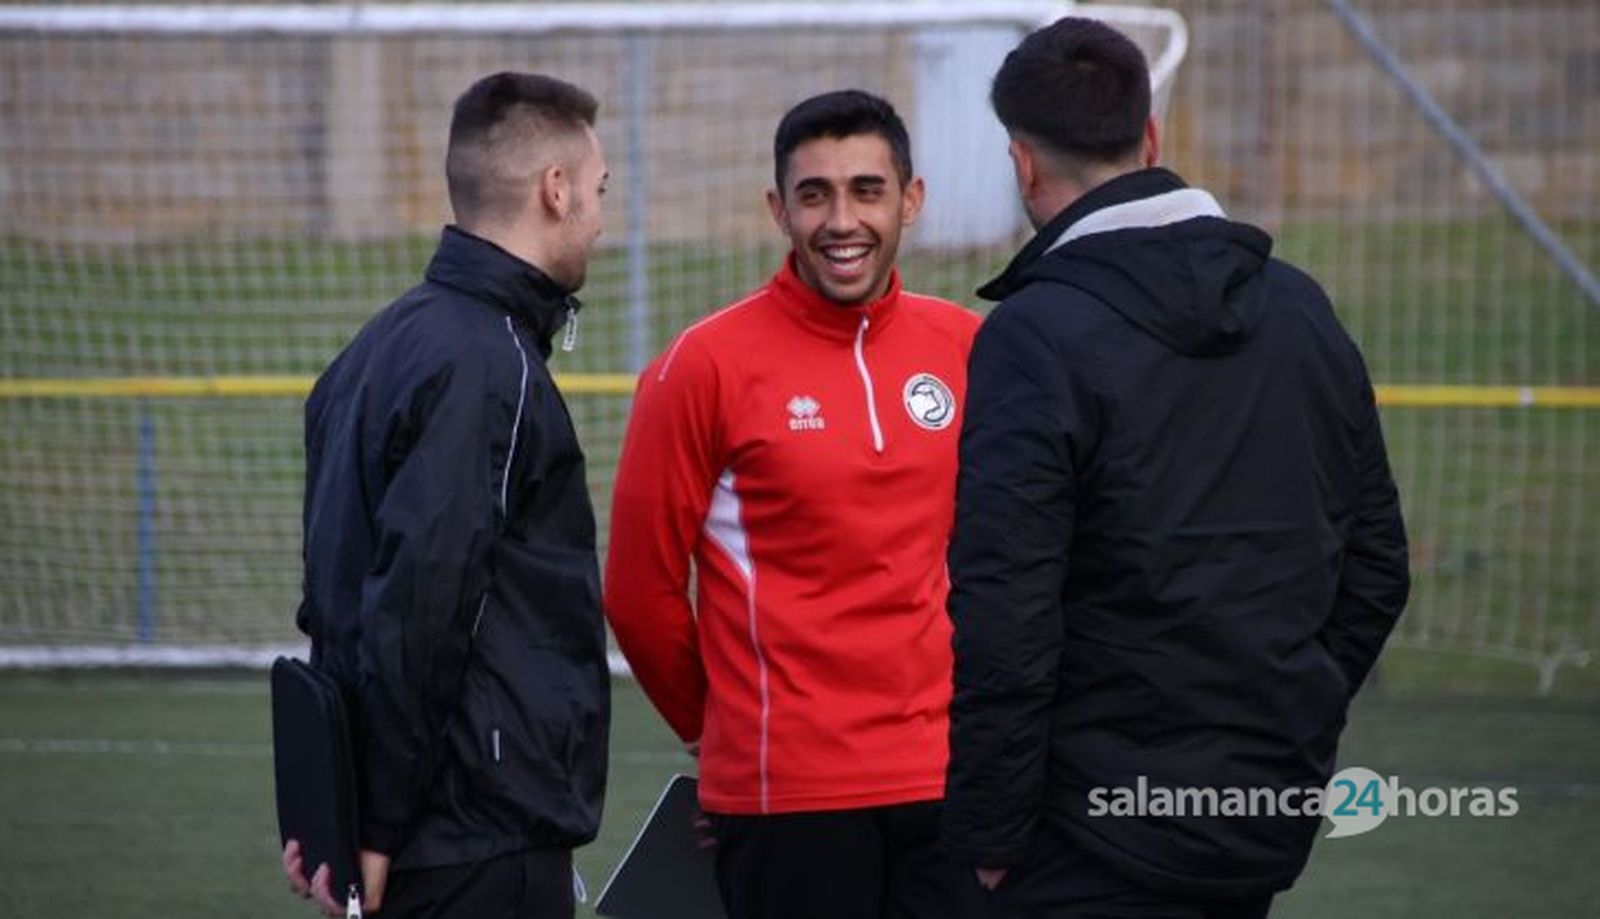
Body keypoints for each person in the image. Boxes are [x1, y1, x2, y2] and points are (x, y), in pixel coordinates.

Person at [943, 17, 1410, 919]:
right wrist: (1282, 727)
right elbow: (1376, 570)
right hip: (1254, 815)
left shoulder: (1034, 337)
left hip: (1087, 833)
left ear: (1023, 164)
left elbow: (1007, 610)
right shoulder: (1301, 308)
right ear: (1149, 137)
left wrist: (991, 833)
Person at [604, 89, 985, 919]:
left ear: (911, 201)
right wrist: (719, 735)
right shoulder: (701, 367)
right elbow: (639, 595)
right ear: (779, 209)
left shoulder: (968, 348)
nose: (841, 220)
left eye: (867, 190)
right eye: (814, 194)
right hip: (786, 797)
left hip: (953, 784)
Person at [282, 71, 611, 919]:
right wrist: (379, 825)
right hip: (470, 841)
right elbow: (421, 601)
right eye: (600, 191)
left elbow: (338, 600)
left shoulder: (381, 343)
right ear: (556, 189)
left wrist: (338, 808)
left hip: (420, 830)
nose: (603, 219)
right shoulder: (486, 362)